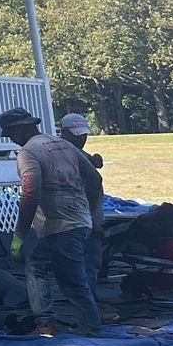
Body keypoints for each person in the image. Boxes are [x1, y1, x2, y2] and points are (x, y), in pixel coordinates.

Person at [1, 107, 103, 335]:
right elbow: (94, 179)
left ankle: (92, 332)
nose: (13, 141)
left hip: (59, 226)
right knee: (38, 266)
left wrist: (19, 235)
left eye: (11, 135)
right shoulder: (62, 145)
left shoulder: (28, 153)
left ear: (20, 130)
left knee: (72, 283)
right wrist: (89, 210)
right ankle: (48, 322)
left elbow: (30, 194)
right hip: (80, 221)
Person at [57, 112, 107, 315]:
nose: (81, 138)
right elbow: (86, 188)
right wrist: (92, 221)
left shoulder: (78, 153)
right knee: (82, 266)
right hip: (80, 219)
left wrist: (93, 159)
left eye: (83, 134)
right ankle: (88, 310)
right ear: (64, 133)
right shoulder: (61, 154)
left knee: (90, 264)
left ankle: (90, 304)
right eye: (76, 135)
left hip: (89, 218)